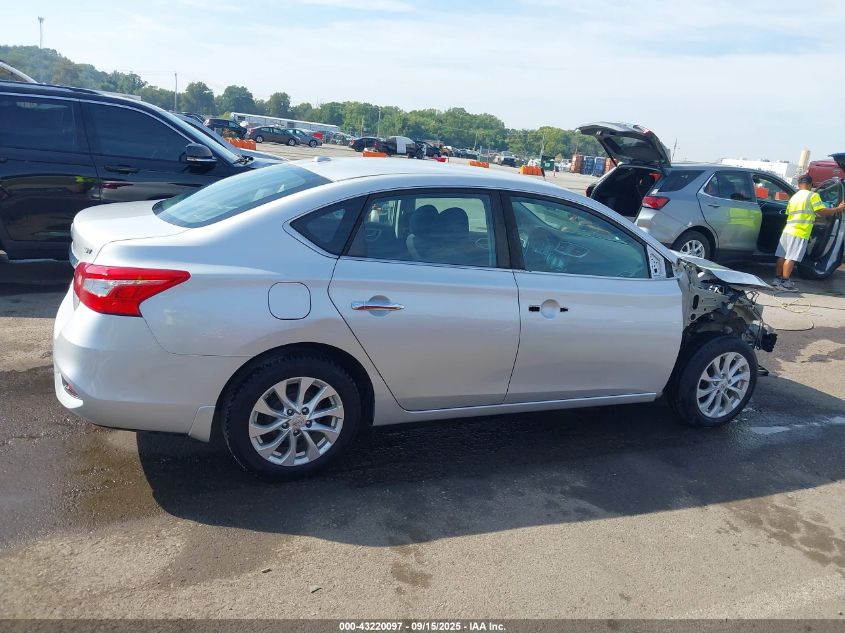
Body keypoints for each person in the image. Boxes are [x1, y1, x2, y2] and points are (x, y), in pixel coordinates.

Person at [773, 174, 845, 291]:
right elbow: (821, 212)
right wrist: (838, 209)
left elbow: (794, 213)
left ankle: (777, 279)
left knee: (782, 256)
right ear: (811, 185)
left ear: (798, 184)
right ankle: (785, 283)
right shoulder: (813, 195)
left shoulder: (794, 197)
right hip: (800, 231)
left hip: (788, 229)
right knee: (792, 257)